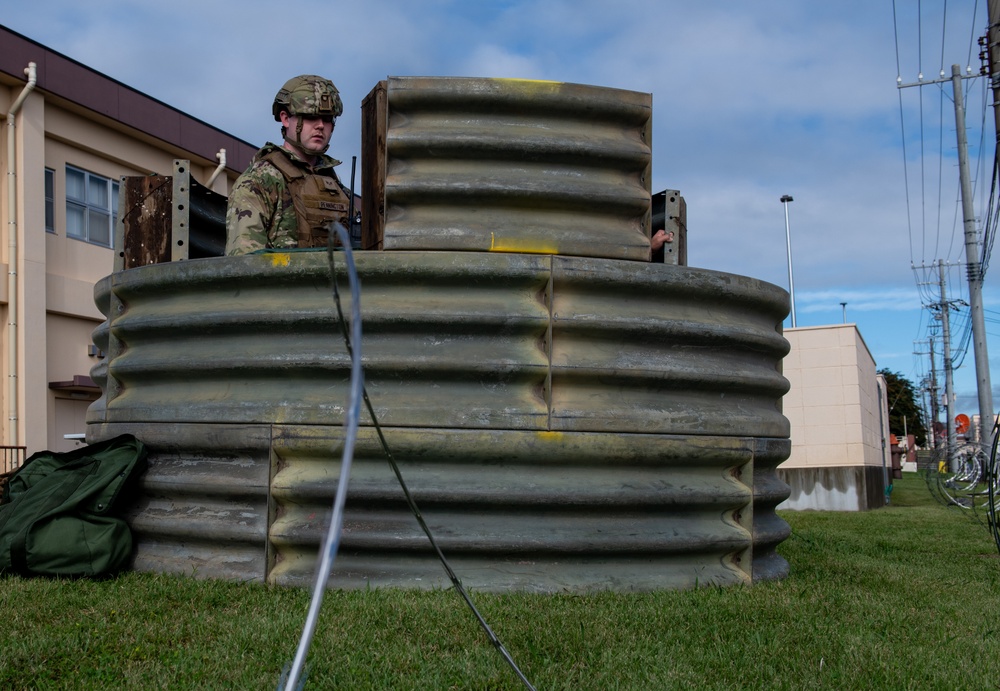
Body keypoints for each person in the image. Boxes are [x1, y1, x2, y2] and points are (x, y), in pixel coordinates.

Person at [226, 75, 353, 255]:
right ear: (285, 119)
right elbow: (244, 262)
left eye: (327, 119)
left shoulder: (338, 187)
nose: (320, 126)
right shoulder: (260, 180)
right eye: (311, 117)